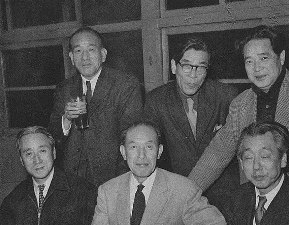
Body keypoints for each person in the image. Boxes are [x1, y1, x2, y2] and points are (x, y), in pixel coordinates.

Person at [188, 25, 289, 201]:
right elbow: (217, 154)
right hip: (259, 206)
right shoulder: (241, 104)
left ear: (281, 57)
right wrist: (184, 196)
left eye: (263, 58)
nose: (256, 68)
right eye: (249, 61)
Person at [144, 37, 239, 208]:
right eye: (187, 66)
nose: (193, 76)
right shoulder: (156, 101)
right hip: (177, 197)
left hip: (224, 198)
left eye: (201, 68)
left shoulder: (226, 96)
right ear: (174, 67)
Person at [48, 27, 143, 186]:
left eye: (91, 49)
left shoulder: (125, 85)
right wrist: (66, 120)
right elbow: (52, 137)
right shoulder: (64, 89)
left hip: (112, 179)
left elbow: (131, 138)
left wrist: (120, 182)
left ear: (103, 54)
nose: (85, 57)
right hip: (72, 181)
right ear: (71, 57)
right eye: (78, 51)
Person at [91, 121, 227, 225]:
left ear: (159, 151)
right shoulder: (108, 192)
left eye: (149, 147)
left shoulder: (183, 190)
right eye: (133, 147)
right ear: (123, 152)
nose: (141, 155)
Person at [223, 121, 289, 225]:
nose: (256, 167)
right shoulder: (234, 200)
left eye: (265, 156)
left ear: (283, 160)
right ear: (241, 163)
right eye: (248, 157)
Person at [0, 126, 97, 225]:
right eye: (29, 154)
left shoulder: (83, 191)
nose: (37, 160)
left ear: (54, 152)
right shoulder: (13, 200)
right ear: (21, 160)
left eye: (42, 151)